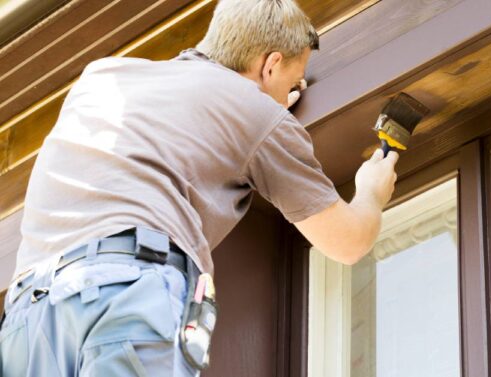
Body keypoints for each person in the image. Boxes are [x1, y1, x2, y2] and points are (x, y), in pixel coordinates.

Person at [0, 0, 398, 375]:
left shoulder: (103, 78)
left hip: (27, 316)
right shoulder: (254, 112)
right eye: (292, 80)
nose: (288, 94)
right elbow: (347, 242)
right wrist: (371, 194)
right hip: (125, 291)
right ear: (271, 64)